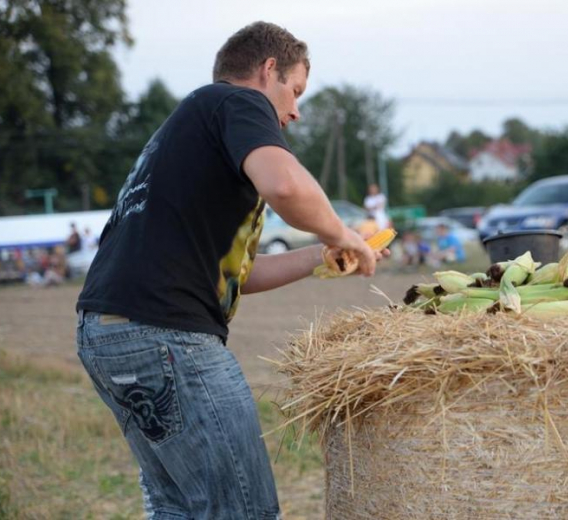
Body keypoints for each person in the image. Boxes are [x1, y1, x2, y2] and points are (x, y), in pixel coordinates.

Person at [75, 22, 385, 520]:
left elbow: (236, 274)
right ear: (268, 71)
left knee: (181, 509)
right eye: (295, 90)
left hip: (109, 333)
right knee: (242, 512)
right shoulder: (237, 102)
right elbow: (284, 185)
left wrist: (318, 257)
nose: (295, 112)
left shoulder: (187, 134)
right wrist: (342, 233)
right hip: (166, 336)